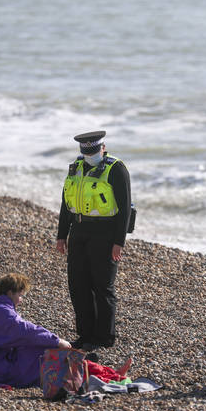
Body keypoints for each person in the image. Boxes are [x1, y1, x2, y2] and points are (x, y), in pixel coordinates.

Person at [56, 130, 132, 352]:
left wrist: (119, 241)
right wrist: (62, 235)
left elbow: (125, 207)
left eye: (94, 150)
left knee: (102, 286)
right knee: (78, 285)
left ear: (103, 147)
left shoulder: (116, 169)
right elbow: (65, 203)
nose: (90, 154)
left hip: (105, 234)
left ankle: (104, 338)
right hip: (79, 231)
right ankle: (85, 334)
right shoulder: (75, 168)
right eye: (86, 151)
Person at [0, 273, 71, 388]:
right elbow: (27, 331)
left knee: (34, 345)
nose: (21, 300)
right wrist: (57, 341)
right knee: (43, 349)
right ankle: (71, 368)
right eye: (20, 295)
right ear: (10, 293)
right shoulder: (2, 312)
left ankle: (71, 366)